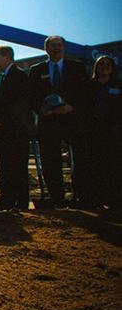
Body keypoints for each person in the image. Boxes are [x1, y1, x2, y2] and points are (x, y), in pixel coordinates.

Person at [28, 35, 92, 209]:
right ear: (46, 49)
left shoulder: (77, 68)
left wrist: (71, 106)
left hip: (73, 120)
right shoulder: (36, 70)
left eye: (59, 45)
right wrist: (41, 109)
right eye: (52, 46)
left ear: (64, 48)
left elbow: (85, 92)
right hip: (48, 122)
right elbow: (31, 95)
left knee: (80, 159)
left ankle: (81, 196)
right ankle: (57, 198)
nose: (56, 48)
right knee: (50, 161)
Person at [0, 45, 32, 211]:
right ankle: (7, 201)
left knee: (17, 167)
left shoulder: (18, 76)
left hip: (16, 132)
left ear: (7, 57)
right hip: (5, 132)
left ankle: (20, 203)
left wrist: (1, 121)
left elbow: (20, 104)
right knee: (5, 168)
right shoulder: (4, 78)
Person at [89, 55, 122, 209]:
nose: (104, 66)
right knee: (95, 165)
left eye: (108, 64)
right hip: (93, 130)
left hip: (114, 130)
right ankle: (96, 198)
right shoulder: (89, 85)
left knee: (114, 165)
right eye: (101, 64)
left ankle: (114, 199)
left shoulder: (118, 85)